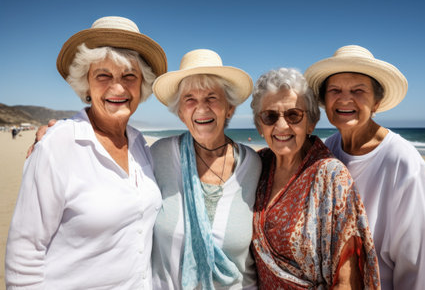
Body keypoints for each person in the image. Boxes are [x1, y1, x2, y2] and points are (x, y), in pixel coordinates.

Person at [5, 16, 167, 289]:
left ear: (142, 85)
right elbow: (24, 255)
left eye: (129, 75)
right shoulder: (57, 145)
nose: (118, 87)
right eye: (103, 75)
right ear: (86, 84)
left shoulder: (141, 146)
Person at [305, 45, 425, 289]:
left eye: (358, 90)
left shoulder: (403, 161)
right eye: (335, 90)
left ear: (377, 102)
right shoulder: (325, 152)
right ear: (324, 101)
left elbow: (417, 265)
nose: (345, 98)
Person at [250, 68, 380, 289]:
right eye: (270, 116)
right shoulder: (257, 165)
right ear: (260, 126)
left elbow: (348, 281)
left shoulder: (331, 176)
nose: (281, 126)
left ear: (310, 122)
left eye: (293, 115)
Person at [149, 48, 262, 289]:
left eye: (212, 97)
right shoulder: (158, 155)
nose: (201, 108)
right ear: (180, 112)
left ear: (229, 108)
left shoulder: (254, 165)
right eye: (190, 99)